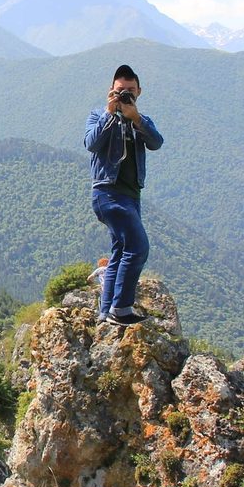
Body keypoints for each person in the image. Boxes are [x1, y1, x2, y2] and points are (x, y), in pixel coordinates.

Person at [84, 63, 164, 324]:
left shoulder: (141, 120)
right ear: (111, 91)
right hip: (108, 193)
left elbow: (156, 143)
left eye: (130, 90)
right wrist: (110, 114)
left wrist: (136, 118)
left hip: (131, 196)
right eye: (120, 91)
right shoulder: (98, 116)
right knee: (138, 248)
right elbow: (91, 143)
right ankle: (121, 309)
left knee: (120, 251)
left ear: (139, 91)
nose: (125, 95)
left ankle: (105, 312)